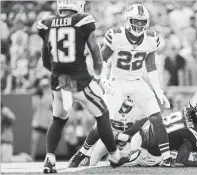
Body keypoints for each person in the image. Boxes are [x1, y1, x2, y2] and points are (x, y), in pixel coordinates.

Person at [37, 1, 138, 173]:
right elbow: (94, 49)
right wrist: (99, 74)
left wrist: (58, 72)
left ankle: (50, 158)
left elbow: (46, 59)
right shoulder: (81, 20)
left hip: (57, 82)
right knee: (103, 114)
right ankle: (115, 155)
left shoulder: (47, 23)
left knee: (58, 119)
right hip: (79, 80)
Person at [99, 3, 173, 166]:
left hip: (137, 81)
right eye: (135, 21)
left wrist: (158, 89)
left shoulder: (152, 38)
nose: (139, 25)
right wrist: (104, 79)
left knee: (156, 116)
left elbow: (151, 65)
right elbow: (102, 59)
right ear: (128, 20)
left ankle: (166, 157)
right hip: (117, 82)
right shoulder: (116, 35)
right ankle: (91, 152)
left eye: (142, 21)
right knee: (103, 120)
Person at [116, 101, 197, 167]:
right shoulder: (194, 135)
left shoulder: (185, 111)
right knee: (188, 159)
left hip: (141, 134)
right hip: (148, 154)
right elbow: (181, 162)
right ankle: (129, 155)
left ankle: (123, 137)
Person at [30, 78, 52, 161]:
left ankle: (49, 158)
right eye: (43, 86)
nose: (45, 87)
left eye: (46, 85)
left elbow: (52, 107)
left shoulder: (50, 95)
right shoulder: (36, 95)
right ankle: (32, 158)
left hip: (48, 121)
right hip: (38, 121)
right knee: (34, 140)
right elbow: (34, 107)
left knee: (50, 141)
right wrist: (38, 96)